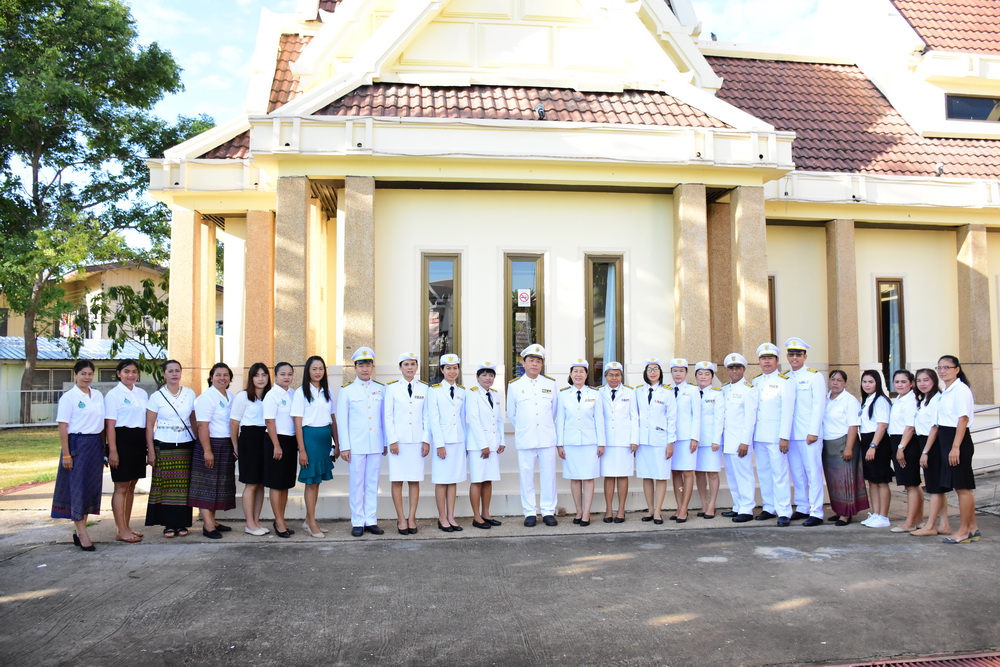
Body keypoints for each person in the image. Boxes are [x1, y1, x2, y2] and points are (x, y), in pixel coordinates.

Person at [51, 360, 105, 551]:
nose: (87, 377)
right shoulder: (69, 397)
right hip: (77, 445)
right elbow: (63, 427)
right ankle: (82, 533)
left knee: (90, 488)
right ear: (75, 375)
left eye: (90, 374)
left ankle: (80, 528)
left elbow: (102, 424)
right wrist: (67, 455)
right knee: (77, 488)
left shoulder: (97, 395)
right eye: (83, 374)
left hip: (95, 446)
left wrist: (104, 449)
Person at [507, 344, 559, 527]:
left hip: (546, 437)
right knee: (526, 476)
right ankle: (529, 512)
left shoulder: (550, 384)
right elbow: (511, 414)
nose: (535, 364)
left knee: (549, 476)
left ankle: (548, 511)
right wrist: (525, 426)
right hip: (526, 438)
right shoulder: (514, 386)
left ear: (541, 364)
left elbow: (554, 412)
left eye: (538, 361)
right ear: (524, 363)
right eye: (531, 361)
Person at [145, 359, 197, 538]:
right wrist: (150, 451)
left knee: (183, 485)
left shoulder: (190, 394)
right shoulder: (157, 397)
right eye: (171, 371)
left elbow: (194, 419)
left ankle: (182, 523)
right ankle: (168, 524)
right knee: (166, 485)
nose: (174, 374)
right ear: (164, 374)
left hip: (185, 443)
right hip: (164, 443)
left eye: (177, 370)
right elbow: (149, 425)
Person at [338, 347, 387, 537]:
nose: (365, 369)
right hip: (356, 445)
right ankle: (357, 520)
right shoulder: (347, 390)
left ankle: (371, 520)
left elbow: (384, 417)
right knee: (357, 483)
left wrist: (385, 442)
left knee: (372, 482)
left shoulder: (381, 389)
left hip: (375, 443)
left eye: (368, 365)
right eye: (361, 365)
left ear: (373, 367)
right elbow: (342, 420)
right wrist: (345, 446)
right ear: (355, 367)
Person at [934, 355, 980, 544]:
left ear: (957, 369)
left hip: (957, 441)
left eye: (947, 367)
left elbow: (963, 419)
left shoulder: (961, 390)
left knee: (962, 488)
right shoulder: (947, 390)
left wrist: (955, 447)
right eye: (940, 367)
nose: (942, 371)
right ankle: (973, 528)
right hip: (947, 439)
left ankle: (963, 531)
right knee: (960, 486)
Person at [556, 358, 606, 527]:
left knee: (589, 478)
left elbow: (599, 420)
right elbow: (560, 421)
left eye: (581, 371)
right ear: (570, 374)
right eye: (575, 371)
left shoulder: (595, 394)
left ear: (586, 375)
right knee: (575, 479)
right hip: (570, 443)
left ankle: (586, 513)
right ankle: (578, 510)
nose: (578, 374)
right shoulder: (563, 395)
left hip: (590, 443)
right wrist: (559, 444)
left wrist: (601, 443)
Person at [384, 352, 430, 535]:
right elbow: (387, 416)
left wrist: (426, 440)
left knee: (414, 480)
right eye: (406, 364)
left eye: (413, 364)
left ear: (417, 367)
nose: (410, 367)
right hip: (399, 443)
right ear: (400, 367)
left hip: (417, 442)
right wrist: (392, 440)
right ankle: (400, 518)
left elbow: (427, 417)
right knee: (397, 480)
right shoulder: (392, 388)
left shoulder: (424, 388)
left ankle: (412, 517)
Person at [292, 355, 338, 538]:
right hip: (309, 440)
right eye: (314, 369)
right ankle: (312, 522)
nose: (318, 372)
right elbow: (297, 422)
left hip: (325, 439)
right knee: (311, 483)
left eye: (321, 368)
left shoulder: (328, 391)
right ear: (307, 371)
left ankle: (307, 519)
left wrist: (337, 442)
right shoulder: (301, 392)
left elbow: (333, 419)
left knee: (317, 482)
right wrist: (301, 449)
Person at [103, 359, 148, 543]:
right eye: (126, 371)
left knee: (131, 485)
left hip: (138, 441)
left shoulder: (142, 393)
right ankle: (120, 529)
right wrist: (113, 451)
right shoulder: (113, 395)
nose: (131, 375)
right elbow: (110, 425)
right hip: (121, 441)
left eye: (134, 372)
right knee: (121, 486)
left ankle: (127, 526)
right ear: (118, 373)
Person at [784, 338, 827, 527]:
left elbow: (819, 405)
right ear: (787, 357)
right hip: (791, 434)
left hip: (809, 434)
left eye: (798, 355)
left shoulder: (814, 376)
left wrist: (814, 431)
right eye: (791, 355)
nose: (794, 358)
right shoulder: (785, 377)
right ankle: (802, 506)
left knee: (813, 472)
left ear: (805, 356)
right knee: (797, 473)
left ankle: (816, 511)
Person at [191, 362, 237, 539]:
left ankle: (214, 520)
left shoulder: (230, 396)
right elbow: (202, 425)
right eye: (218, 375)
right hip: (210, 444)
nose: (222, 378)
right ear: (211, 377)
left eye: (225, 375)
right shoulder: (206, 397)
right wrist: (207, 450)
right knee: (206, 485)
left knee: (219, 485)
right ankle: (208, 525)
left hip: (226, 444)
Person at [751, 343, 794, 526]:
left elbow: (787, 411)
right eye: (763, 358)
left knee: (780, 474)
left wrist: (784, 437)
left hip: (776, 437)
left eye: (770, 358)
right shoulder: (755, 381)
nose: (766, 361)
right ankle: (769, 506)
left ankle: (784, 510)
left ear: (777, 361)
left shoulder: (785, 381)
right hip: (759, 436)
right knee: (764, 473)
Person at [426, 353, 467, 532]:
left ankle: (451, 516)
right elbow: (433, 419)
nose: (452, 371)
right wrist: (439, 444)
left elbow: (463, 419)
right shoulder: (434, 390)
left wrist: (465, 444)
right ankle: (442, 517)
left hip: (458, 441)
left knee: (453, 480)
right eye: (448, 368)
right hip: (443, 442)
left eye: (455, 368)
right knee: (442, 480)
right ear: (442, 370)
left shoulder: (462, 391)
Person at [822, 369, 868, 526]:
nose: (835, 383)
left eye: (839, 380)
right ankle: (838, 510)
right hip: (828, 444)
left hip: (844, 443)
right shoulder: (825, 398)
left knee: (846, 479)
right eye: (833, 379)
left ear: (845, 383)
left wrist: (849, 447)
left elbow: (853, 426)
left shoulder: (849, 400)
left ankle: (846, 514)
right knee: (833, 480)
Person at [230, 362, 271, 536]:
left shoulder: (270, 396)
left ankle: (256, 521)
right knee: (251, 483)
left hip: (266, 438)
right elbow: (234, 422)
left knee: (262, 483)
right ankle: (249, 524)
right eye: (257, 375)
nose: (261, 379)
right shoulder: (243, 396)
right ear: (251, 378)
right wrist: (235, 445)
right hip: (249, 439)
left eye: (264, 375)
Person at [635, 357, 677, 524]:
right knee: (646, 476)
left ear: (660, 373)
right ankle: (650, 509)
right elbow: (634, 416)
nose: (653, 372)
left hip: (661, 440)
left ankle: (658, 511)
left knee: (660, 476)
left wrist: (670, 442)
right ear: (645, 373)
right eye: (649, 369)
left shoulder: (667, 392)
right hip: (643, 441)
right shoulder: (638, 391)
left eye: (656, 369)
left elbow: (672, 418)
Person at [718, 353, 758, 523]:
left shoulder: (749, 390)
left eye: (737, 368)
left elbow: (750, 419)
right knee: (732, 476)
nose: (734, 371)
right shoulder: (724, 389)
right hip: (727, 441)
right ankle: (738, 506)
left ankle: (747, 509)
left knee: (744, 475)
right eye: (731, 368)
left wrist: (745, 442)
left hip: (740, 441)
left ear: (743, 369)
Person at [910, 369, 950, 537]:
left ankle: (931, 526)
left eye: (926, 380)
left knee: (934, 488)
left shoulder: (936, 400)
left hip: (932, 444)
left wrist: (925, 451)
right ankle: (944, 524)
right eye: (919, 380)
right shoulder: (924, 400)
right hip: (924, 442)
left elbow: (934, 428)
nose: (922, 383)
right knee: (937, 487)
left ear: (934, 380)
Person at [598, 361, 638, 523]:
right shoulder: (599, 392)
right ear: (605, 376)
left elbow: (635, 417)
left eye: (617, 374)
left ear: (622, 376)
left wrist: (634, 439)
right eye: (611, 375)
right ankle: (608, 510)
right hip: (606, 441)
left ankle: (621, 510)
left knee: (622, 476)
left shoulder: (630, 392)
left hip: (624, 441)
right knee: (608, 476)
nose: (614, 378)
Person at [466, 361, 504, 529]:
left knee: (488, 480)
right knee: (477, 480)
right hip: (478, 446)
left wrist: (501, 441)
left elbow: (499, 420)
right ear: (477, 377)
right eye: (484, 375)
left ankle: (486, 513)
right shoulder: (472, 394)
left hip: (493, 444)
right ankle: (476, 516)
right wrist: (483, 445)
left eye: (491, 375)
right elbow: (473, 421)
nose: (488, 378)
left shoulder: (495, 394)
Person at [262, 361, 297, 538]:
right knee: (276, 484)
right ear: (275, 375)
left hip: (291, 441)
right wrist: (276, 445)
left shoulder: (293, 393)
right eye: (283, 374)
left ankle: (281, 519)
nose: (286, 377)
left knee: (285, 484)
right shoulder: (272, 395)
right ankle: (278, 521)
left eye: (289, 374)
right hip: (276, 441)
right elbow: (269, 421)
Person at [888, 370, 921, 533]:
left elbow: (910, 427)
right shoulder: (899, 399)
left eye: (903, 381)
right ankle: (918, 519)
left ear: (911, 383)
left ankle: (910, 523)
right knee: (911, 484)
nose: (899, 384)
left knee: (911, 485)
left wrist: (901, 448)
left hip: (906, 442)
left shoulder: (911, 400)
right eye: (897, 381)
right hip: (896, 440)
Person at [859, 369, 892, 528]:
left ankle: (884, 516)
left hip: (877, 442)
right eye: (864, 381)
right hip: (866, 441)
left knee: (881, 481)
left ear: (878, 383)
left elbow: (882, 425)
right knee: (872, 481)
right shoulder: (867, 400)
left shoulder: (880, 401)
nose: (867, 384)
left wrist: (873, 446)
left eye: (871, 382)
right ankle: (876, 513)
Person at [669, 358, 700, 522]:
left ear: (686, 373)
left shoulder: (693, 390)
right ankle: (678, 505)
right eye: (675, 371)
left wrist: (695, 437)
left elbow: (697, 416)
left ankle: (684, 508)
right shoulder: (667, 390)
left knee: (687, 472)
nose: (678, 374)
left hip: (687, 438)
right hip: (673, 439)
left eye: (681, 371)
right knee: (676, 473)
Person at [693, 361, 724, 519]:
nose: (703, 377)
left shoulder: (717, 393)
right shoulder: (692, 392)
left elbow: (719, 418)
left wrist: (716, 439)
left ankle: (712, 505)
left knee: (712, 473)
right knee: (699, 473)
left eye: (707, 374)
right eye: (700, 374)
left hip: (711, 440)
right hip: (696, 441)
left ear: (712, 377)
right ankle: (704, 503)